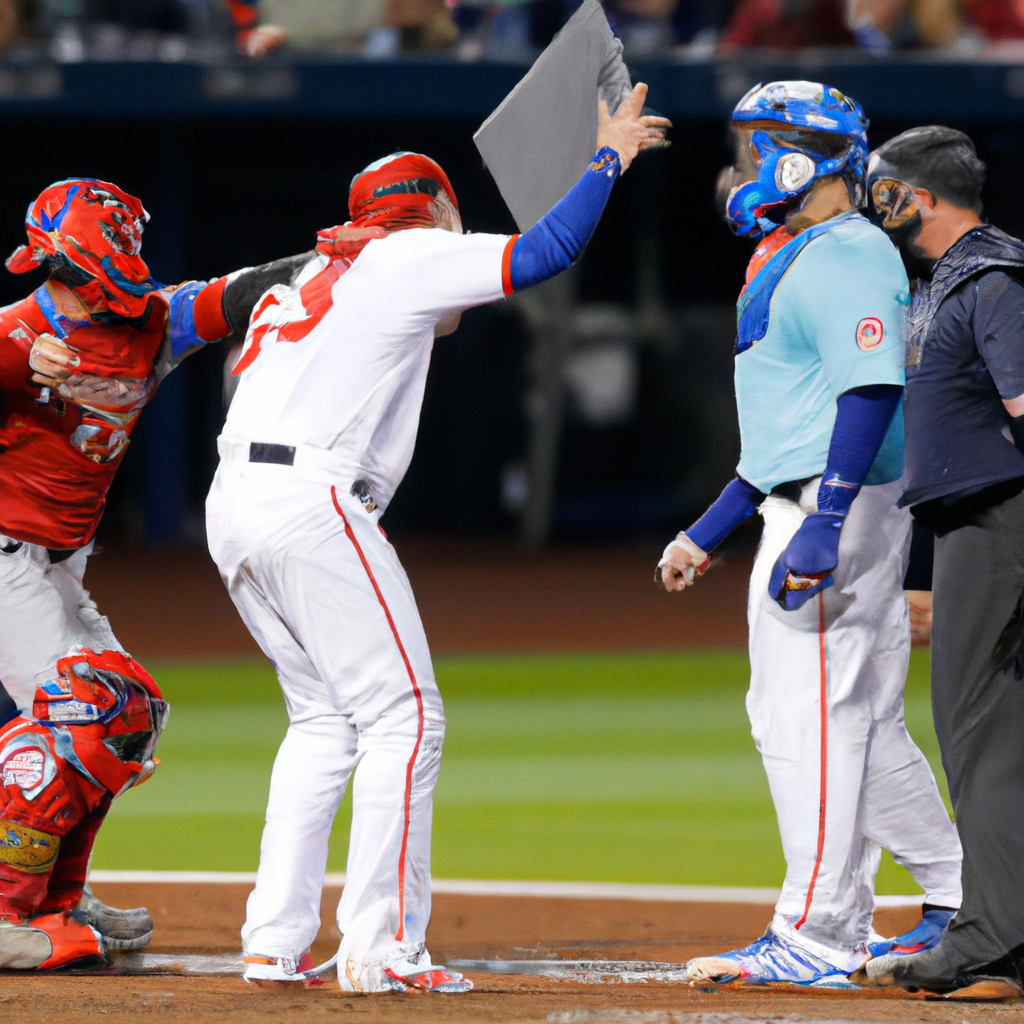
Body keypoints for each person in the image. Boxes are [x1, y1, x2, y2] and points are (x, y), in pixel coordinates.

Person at [205, 84, 667, 993]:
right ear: (436, 212)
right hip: (310, 495)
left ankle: (272, 940)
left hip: (238, 501)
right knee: (407, 718)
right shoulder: (409, 252)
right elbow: (546, 253)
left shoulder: (311, 275)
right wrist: (607, 154)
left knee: (325, 719)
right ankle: (382, 950)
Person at [657, 81, 963, 987]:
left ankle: (819, 932)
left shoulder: (846, 253)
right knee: (857, 724)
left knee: (814, 721)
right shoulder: (803, 251)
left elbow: (870, 391)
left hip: (842, 509)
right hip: (817, 502)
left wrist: (824, 524)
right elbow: (779, 435)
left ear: (801, 154)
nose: (745, 166)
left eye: (759, 147)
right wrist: (710, 530)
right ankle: (960, 892)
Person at [0, 178, 311, 965]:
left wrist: (351, 255)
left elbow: (238, 294)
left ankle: (58, 896)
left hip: (57, 571)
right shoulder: (16, 331)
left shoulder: (149, 323)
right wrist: (16, 359)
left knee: (130, 715)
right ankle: (8, 912)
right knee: (86, 710)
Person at [860, 128, 1024, 1000]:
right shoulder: (951, 278)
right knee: (998, 735)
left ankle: (993, 945)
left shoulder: (991, 276)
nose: (868, 197)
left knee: (980, 736)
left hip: (1004, 521)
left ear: (917, 198)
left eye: (880, 187)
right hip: (982, 522)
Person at [0, 651, 167, 970]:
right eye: (124, 726)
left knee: (74, 925)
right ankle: (14, 920)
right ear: (84, 722)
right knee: (79, 944)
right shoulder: (39, 771)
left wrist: (62, 911)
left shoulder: (74, 765)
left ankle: (49, 910)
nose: (137, 739)